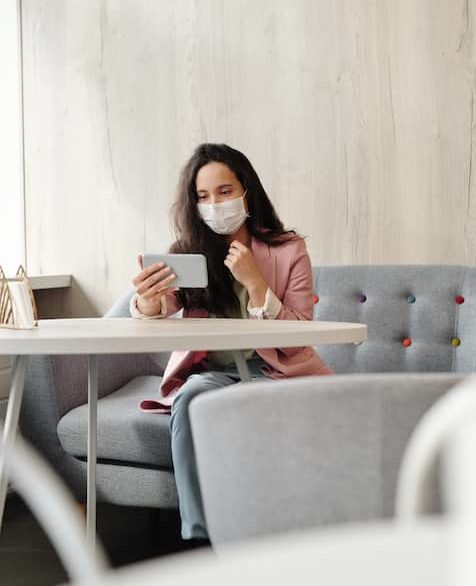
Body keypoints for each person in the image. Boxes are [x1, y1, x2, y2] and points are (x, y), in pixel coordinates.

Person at [130, 143, 333, 544]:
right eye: (203, 196)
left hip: (274, 372)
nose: (214, 204)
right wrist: (146, 300)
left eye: (224, 192)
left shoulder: (289, 250)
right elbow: (158, 309)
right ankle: (203, 538)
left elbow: (300, 333)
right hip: (214, 374)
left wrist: (256, 282)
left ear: (246, 191)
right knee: (191, 398)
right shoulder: (188, 255)